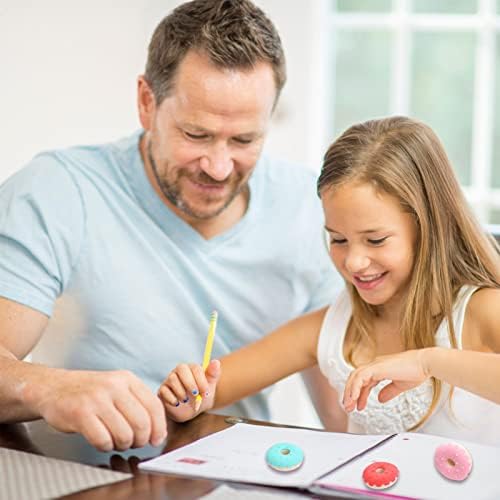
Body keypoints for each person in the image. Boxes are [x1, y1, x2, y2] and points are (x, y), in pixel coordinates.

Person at [0, 0, 340, 452]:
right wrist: (45, 387)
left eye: (244, 139)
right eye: (196, 135)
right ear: (146, 102)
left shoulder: (310, 209)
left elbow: (344, 418)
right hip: (86, 481)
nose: (219, 167)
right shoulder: (56, 192)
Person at [160, 116, 500, 446]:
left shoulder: (481, 310)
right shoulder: (333, 327)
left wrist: (427, 362)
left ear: (429, 229)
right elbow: (210, 389)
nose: (353, 261)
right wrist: (188, 398)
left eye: (376, 240)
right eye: (338, 240)